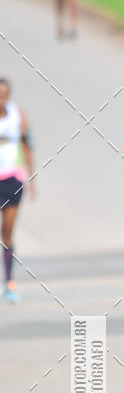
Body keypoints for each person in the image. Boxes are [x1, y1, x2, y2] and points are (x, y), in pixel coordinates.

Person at [0, 79, 34, 304]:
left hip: (12, 179)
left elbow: (26, 145)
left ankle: (9, 283)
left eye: (4, 94)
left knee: (7, 232)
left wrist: (31, 177)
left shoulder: (17, 115)